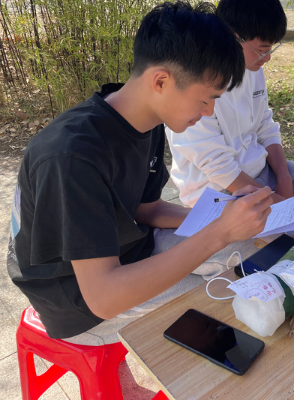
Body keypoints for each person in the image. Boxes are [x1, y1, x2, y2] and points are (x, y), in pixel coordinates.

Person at [7, 1, 273, 346]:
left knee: (247, 249)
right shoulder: (72, 156)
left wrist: (222, 218)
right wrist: (219, 233)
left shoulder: (146, 121)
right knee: (218, 296)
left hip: (128, 246)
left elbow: (147, 209)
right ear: (161, 81)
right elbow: (103, 297)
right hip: (76, 300)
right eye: (206, 100)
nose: (208, 113)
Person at [165, 0, 294, 210]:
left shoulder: (252, 69)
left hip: (262, 171)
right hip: (218, 189)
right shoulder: (194, 81)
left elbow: (265, 124)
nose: (268, 57)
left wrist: (284, 178)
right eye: (262, 50)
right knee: (283, 227)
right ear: (232, 36)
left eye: (271, 49)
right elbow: (217, 166)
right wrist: (275, 202)